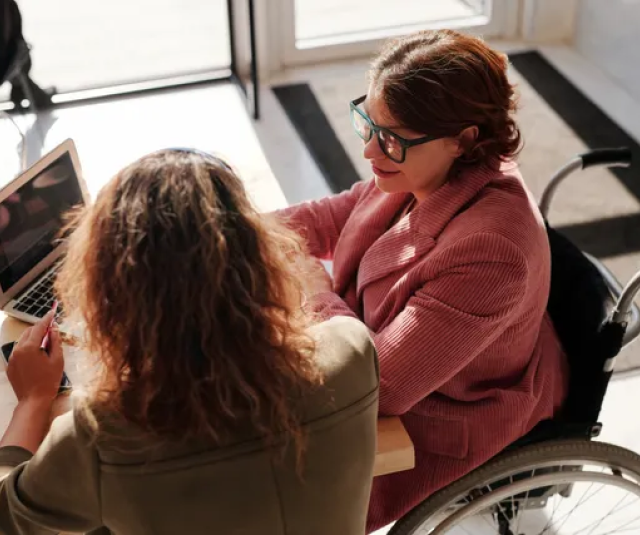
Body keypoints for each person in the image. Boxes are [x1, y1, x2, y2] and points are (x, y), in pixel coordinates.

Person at [276, 29, 569, 532]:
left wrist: (311, 285)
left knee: (271, 476)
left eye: (389, 137)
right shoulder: (420, 163)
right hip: (390, 352)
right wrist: (228, 229)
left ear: (465, 139)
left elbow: (377, 388)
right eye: (367, 122)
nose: (370, 150)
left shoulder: (490, 252)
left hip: (438, 420)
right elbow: (334, 216)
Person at [0, 149, 379, 534]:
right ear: (262, 255)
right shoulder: (352, 350)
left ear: (112, 293)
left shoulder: (101, 435)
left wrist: (31, 403)